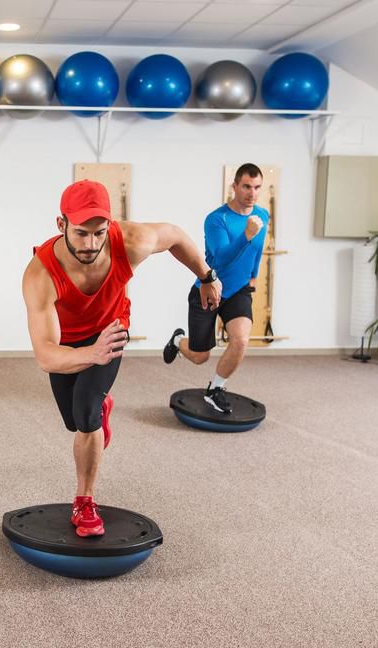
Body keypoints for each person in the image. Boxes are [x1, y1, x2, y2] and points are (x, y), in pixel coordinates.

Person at [22, 179, 221, 537]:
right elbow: (46, 356)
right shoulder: (40, 273)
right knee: (73, 420)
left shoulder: (130, 241)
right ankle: (101, 410)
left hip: (109, 331)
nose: (91, 244)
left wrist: (206, 276)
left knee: (85, 416)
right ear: (61, 224)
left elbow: (174, 235)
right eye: (81, 233)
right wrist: (88, 353)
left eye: (99, 233)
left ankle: (84, 502)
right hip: (66, 343)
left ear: (110, 226)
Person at [163, 163, 269, 414]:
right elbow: (219, 260)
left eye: (256, 188)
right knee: (200, 357)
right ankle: (178, 341)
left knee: (241, 340)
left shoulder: (262, 215)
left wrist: (253, 275)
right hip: (209, 289)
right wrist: (246, 235)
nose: (251, 193)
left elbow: (258, 247)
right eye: (246, 186)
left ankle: (215, 389)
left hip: (238, 290)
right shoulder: (216, 219)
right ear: (234, 186)